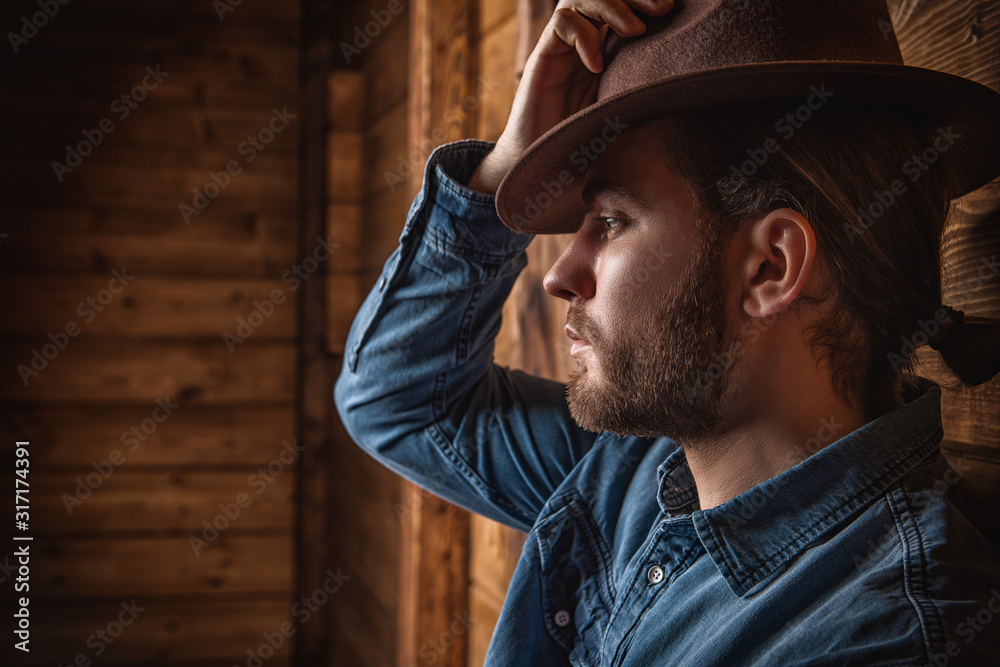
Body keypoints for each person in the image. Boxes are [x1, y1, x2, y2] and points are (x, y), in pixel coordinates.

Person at [335, 0, 1000, 663]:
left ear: (771, 267)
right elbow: (397, 399)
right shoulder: (634, 467)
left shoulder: (887, 634)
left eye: (614, 220)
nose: (559, 273)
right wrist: (504, 170)